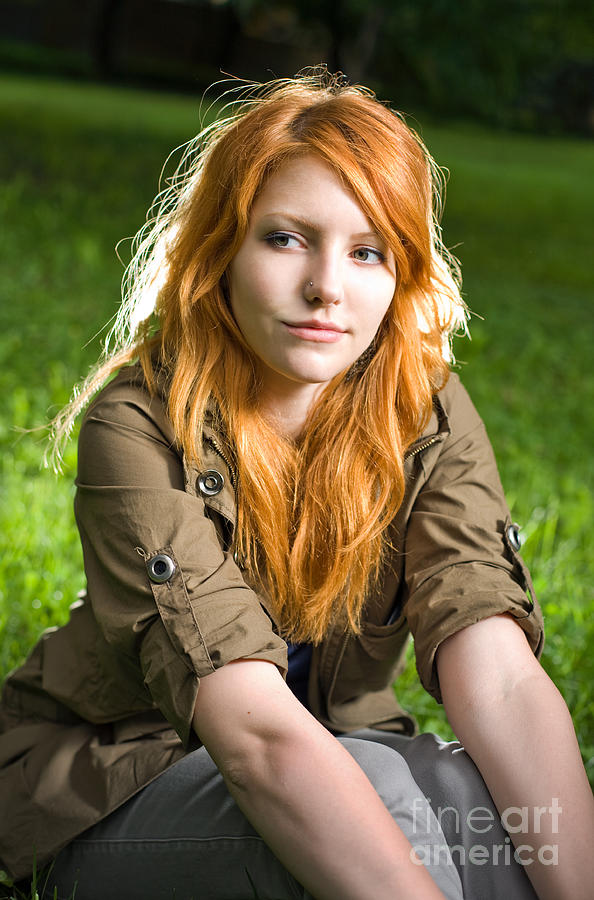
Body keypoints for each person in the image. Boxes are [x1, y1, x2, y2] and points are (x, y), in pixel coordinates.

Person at [0, 70, 592, 900]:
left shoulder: (423, 409)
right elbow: (260, 742)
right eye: (285, 238)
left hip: (334, 747)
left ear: (402, 273)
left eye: (366, 251)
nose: (327, 287)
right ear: (221, 251)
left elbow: (495, 672)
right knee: (388, 803)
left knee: (484, 805)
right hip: (113, 792)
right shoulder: (136, 424)